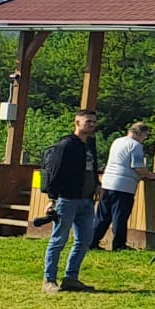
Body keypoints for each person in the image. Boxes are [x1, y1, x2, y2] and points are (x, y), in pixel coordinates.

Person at [40, 109, 102, 293]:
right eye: (88, 121)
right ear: (77, 122)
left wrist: (97, 185)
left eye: (94, 122)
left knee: (84, 240)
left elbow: (93, 168)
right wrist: (52, 199)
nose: (92, 125)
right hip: (67, 199)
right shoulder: (66, 145)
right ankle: (49, 280)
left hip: (87, 200)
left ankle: (71, 278)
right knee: (59, 240)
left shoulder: (90, 144)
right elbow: (55, 172)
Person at [97, 120, 155, 251]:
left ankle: (92, 241)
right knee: (120, 216)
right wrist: (151, 175)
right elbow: (138, 167)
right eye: (145, 135)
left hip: (107, 182)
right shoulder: (136, 146)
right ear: (140, 133)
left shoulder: (117, 141)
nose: (145, 139)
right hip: (123, 186)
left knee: (103, 215)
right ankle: (119, 245)